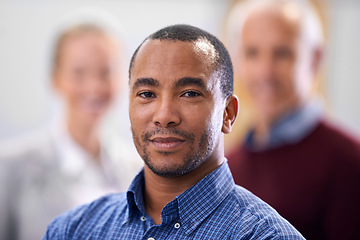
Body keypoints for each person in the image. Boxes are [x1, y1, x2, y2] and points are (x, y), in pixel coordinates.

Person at [42, 24, 304, 239]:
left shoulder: (265, 236)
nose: (164, 116)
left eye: (189, 93)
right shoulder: (71, 231)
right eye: (147, 94)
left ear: (228, 114)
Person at [225, 0, 360, 239]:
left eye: (282, 53)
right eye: (252, 53)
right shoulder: (229, 164)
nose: (265, 71)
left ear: (315, 59)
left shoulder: (349, 162)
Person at [0, 19, 142, 240]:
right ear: (55, 78)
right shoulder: (9, 169)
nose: (93, 86)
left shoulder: (140, 172)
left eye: (105, 71)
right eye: (79, 72)